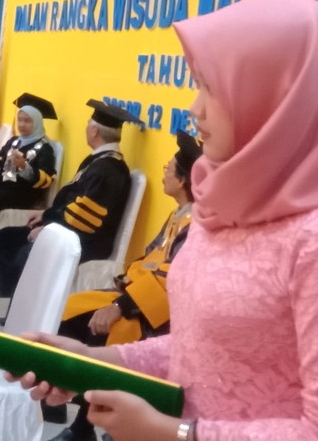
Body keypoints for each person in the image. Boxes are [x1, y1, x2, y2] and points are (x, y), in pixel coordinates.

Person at [12, 0, 318, 441]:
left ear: (281, 98)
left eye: (212, 88)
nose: (195, 107)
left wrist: (175, 433)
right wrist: (90, 363)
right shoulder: (230, 205)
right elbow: (205, 353)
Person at [46, 130, 202, 441]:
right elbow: (150, 258)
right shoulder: (178, 216)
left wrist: (120, 306)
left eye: (167, 169)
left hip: (161, 314)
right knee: (67, 313)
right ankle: (61, 406)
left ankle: (85, 427)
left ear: (183, 180)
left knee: (102, 330)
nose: (163, 174)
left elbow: (172, 278)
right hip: (140, 297)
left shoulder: (195, 224)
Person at [0, 99, 140, 297]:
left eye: (88, 124)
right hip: (72, 231)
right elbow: (72, 202)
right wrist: (46, 215)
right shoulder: (99, 161)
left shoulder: (108, 169)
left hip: (86, 242)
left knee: (24, 249)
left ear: (94, 131)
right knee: (6, 236)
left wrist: (48, 229)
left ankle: (28, 306)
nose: (86, 128)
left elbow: (83, 218)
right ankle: (17, 303)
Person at [0, 92, 59, 217]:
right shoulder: (14, 141)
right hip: (0, 189)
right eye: (19, 120)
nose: (21, 124)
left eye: (27, 121)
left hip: (22, 196)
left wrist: (24, 167)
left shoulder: (45, 148)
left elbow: (47, 179)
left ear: (37, 123)